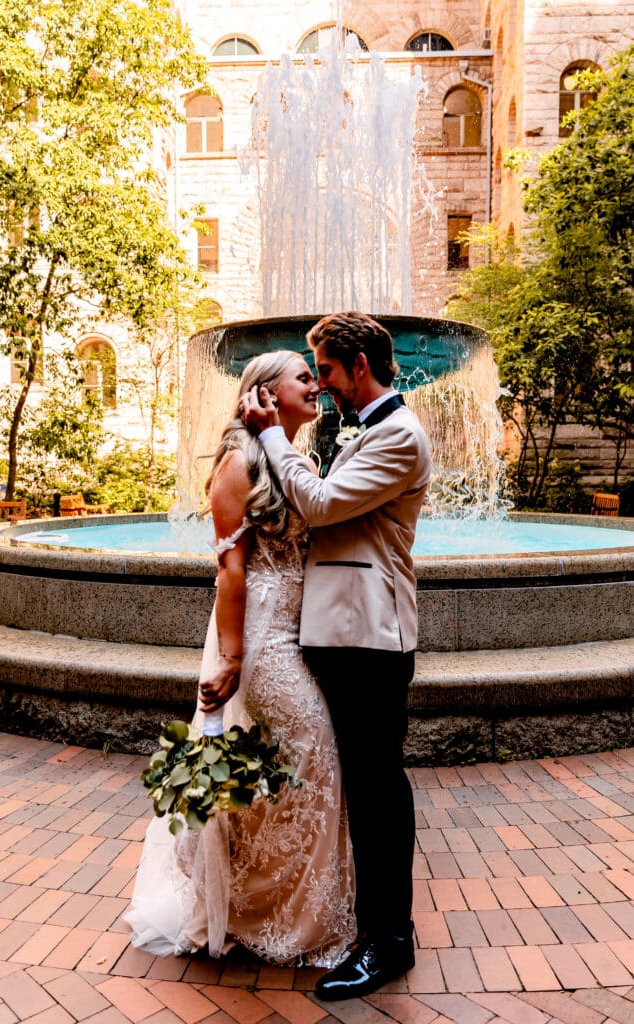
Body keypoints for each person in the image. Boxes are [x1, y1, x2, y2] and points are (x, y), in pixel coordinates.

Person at [125, 350, 356, 967]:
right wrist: (229, 659)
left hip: (299, 636)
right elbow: (229, 572)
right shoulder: (237, 463)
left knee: (292, 772)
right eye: (303, 376)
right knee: (315, 756)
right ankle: (273, 913)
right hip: (262, 642)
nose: (316, 384)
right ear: (264, 393)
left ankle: (265, 903)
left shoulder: (297, 457)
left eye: (317, 374)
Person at [241, 311, 432, 1000]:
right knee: (366, 788)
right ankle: (376, 931)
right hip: (343, 635)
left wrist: (271, 439)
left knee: (379, 791)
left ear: (358, 366)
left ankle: (389, 943)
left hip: (371, 639)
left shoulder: (400, 436)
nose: (320, 384)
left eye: (324, 370)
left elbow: (320, 506)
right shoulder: (369, 428)